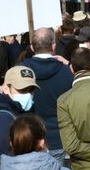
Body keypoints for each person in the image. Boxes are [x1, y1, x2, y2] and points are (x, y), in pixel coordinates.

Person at [23, 27, 73, 158]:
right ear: (54, 46)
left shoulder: (20, 72)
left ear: (32, 48)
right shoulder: (67, 72)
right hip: (59, 138)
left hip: (30, 138)